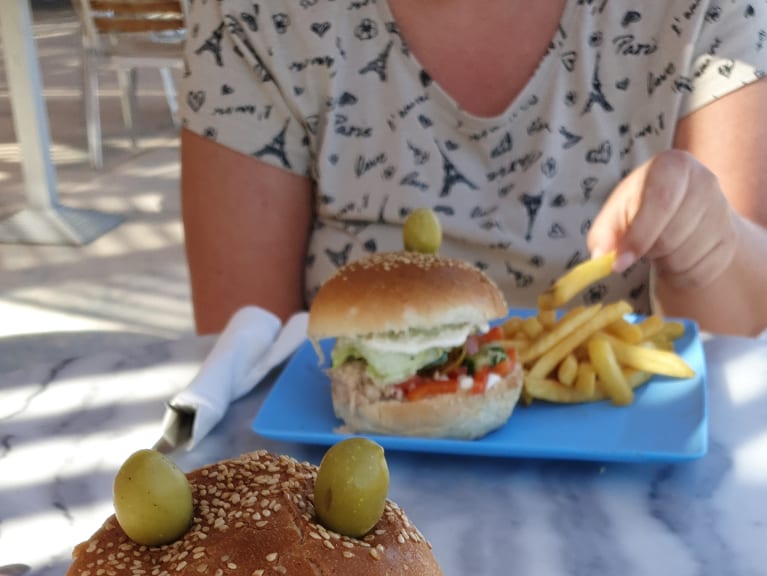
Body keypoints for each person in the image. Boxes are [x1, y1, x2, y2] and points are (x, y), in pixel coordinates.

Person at [180, 0, 767, 337]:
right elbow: (243, 354)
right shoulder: (254, 14)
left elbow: (740, 352)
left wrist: (704, 250)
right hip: (343, 470)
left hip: (631, 467)